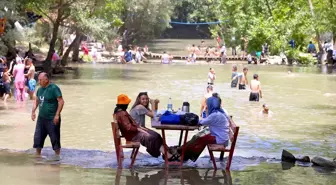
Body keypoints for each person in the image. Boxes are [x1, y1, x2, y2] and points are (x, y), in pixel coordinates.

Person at [113, 94, 174, 159]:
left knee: (156, 135)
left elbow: (132, 124)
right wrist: (139, 129)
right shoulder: (122, 114)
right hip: (132, 136)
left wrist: (140, 128)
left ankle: (167, 153)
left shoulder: (121, 112)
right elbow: (128, 127)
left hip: (132, 134)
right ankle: (167, 155)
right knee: (151, 137)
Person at [174, 94, 230, 162]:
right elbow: (205, 121)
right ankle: (182, 152)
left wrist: (189, 119)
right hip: (222, 137)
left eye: (207, 104)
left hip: (220, 139)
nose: (206, 106)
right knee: (197, 137)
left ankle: (183, 154)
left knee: (199, 140)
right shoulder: (219, 112)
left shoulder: (215, 115)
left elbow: (201, 122)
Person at [31, 72, 64, 160]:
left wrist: (57, 115)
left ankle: (57, 158)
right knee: (38, 139)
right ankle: (38, 157)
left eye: (40, 80)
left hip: (52, 119)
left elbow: (61, 102)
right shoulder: (40, 89)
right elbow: (37, 101)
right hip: (41, 119)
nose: (39, 81)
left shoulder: (54, 88)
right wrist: (33, 112)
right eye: (39, 80)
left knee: (55, 139)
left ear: (46, 80)